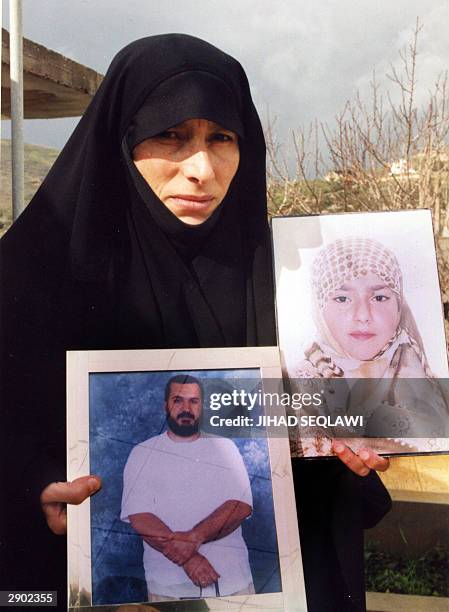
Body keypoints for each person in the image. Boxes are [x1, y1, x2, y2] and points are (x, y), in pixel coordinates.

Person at [0, 34, 391, 611]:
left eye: (222, 139)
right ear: (123, 138)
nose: (201, 169)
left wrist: (342, 450)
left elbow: (292, 466)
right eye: (171, 135)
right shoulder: (26, 282)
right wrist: (30, 487)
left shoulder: (287, 287)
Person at [290, 236, 449, 456]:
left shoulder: (422, 376)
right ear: (319, 307)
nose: (363, 315)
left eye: (380, 297)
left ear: (398, 305)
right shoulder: (296, 387)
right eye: (342, 299)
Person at [120, 374, 254, 601]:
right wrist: (189, 559)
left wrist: (193, 539)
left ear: (202, 406)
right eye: (178, 400)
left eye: (193, 401)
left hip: (232, 581)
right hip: (167, 587)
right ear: (166, 405)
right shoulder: (142, 452)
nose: (186, 408)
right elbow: (140, 517)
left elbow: (240, 506)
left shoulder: (225, 448)